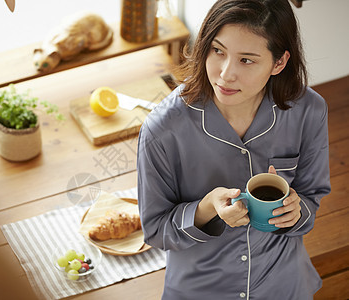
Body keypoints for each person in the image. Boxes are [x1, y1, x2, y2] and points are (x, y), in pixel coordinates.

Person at [137, 0, 331, 299]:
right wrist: (205, 209)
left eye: (246, 60)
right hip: (200, 289)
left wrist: (296, 211)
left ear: (279, 63)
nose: (226, 74)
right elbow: (155, 230)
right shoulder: (163, 129)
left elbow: (312, 196)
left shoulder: (308, 110)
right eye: (218, 51)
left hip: (284, 285)